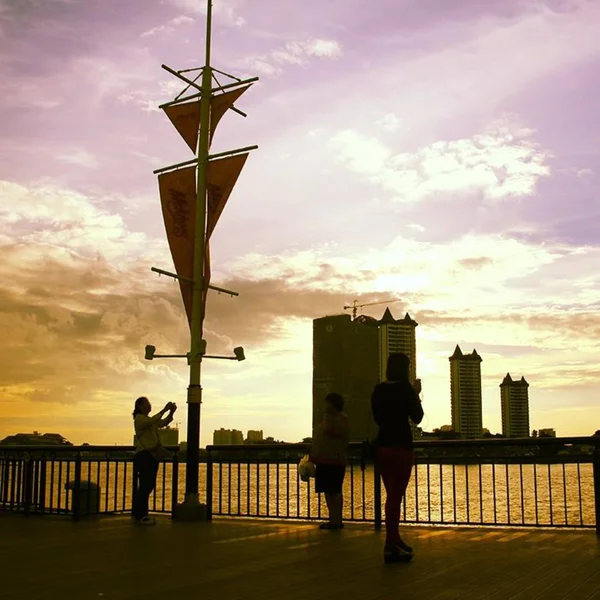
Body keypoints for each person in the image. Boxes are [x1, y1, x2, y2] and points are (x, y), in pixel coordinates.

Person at [371, 353, 424, 562]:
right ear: (405, 369)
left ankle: (395, 539)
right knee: (395, 496)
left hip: (382, 447)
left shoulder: (378, 390)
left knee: (392, 495)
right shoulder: (406, 389)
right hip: (401, 446)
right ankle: (390, 545)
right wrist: (416, 393)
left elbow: (377, 418)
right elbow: (418, 418)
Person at [132, 397, 177, 525]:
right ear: (140, 406)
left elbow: (162, 423)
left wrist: (171, 413)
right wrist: (165, 409)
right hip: (144, 455)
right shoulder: (140, 419)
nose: (149, 406)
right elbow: (154, 420)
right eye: (147, 404)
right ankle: (140, 515)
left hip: (151, 455)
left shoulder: (148, 420)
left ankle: (141, 514)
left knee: (148, 485)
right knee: (145, 486)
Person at [310, 392, 350, 530]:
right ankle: (333, 519)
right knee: (329, 490)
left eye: (327, 403)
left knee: (334, 491)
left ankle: (336, 520)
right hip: (327, 459)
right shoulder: (339, 419)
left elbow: (330, 431)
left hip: (333, 460)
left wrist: (326, 418)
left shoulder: (337, 419)